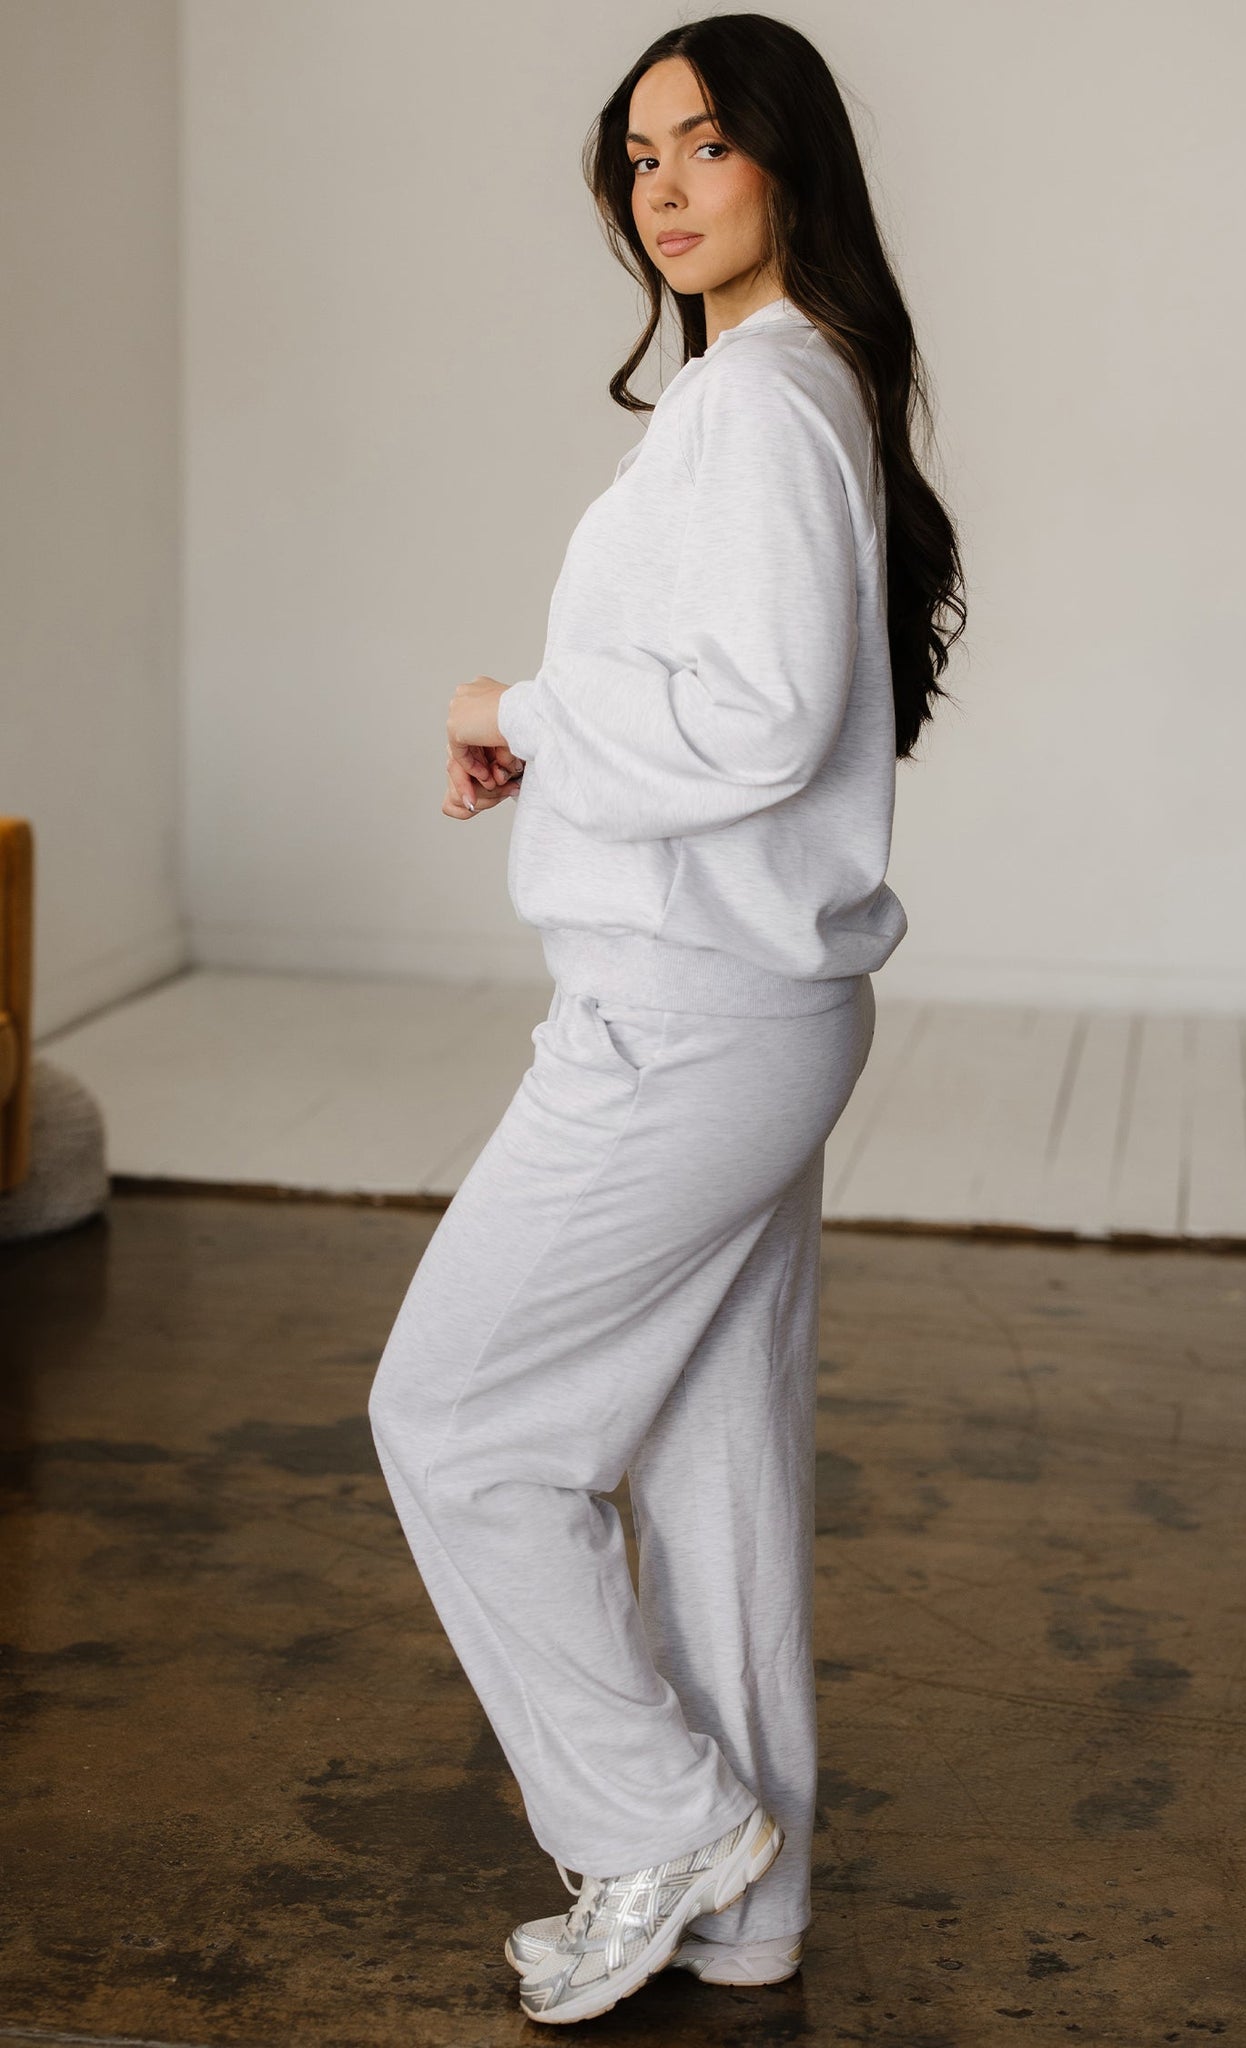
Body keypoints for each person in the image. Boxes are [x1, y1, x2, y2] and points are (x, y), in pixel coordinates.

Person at [368, 12, 965, 2027]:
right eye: (639, 156)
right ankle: (747, 1905)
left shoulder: (757, 401)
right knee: (712, 1467)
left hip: (685, 1021)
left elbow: (760, 716)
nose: (666, 185)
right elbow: (744, 705)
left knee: (454, 1423)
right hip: (749, 1004)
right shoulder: (791, 386)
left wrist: (513, 709)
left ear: (788, 160)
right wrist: (558, 746)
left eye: (706, 143)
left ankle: (652, 1821)